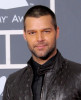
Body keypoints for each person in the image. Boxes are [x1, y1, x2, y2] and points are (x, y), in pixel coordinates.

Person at [3, 5, 81, 100]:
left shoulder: (78, 75)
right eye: (32, 33)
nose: (39, 39)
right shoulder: (13, 82)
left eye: (46, 31)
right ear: (25, 35)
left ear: (57, 32)